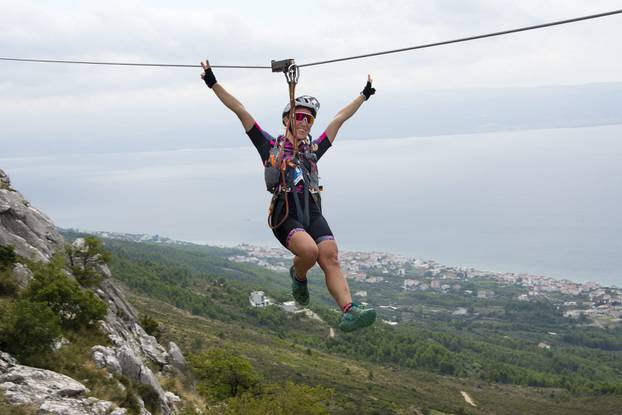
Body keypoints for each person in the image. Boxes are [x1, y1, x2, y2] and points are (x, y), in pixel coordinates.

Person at [200, 60, 376, 332]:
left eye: (309, 118)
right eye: (299, 116)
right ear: (287, 119)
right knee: (309, 251)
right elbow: (240, 110)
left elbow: (338, 119)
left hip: (311, 210)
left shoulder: (313, 150)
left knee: (329, 254)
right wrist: (213, 82)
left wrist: (363, 95)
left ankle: (349, 310)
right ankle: (299, 275)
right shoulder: (270, 146)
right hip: (285, 214)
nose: (304, 122)